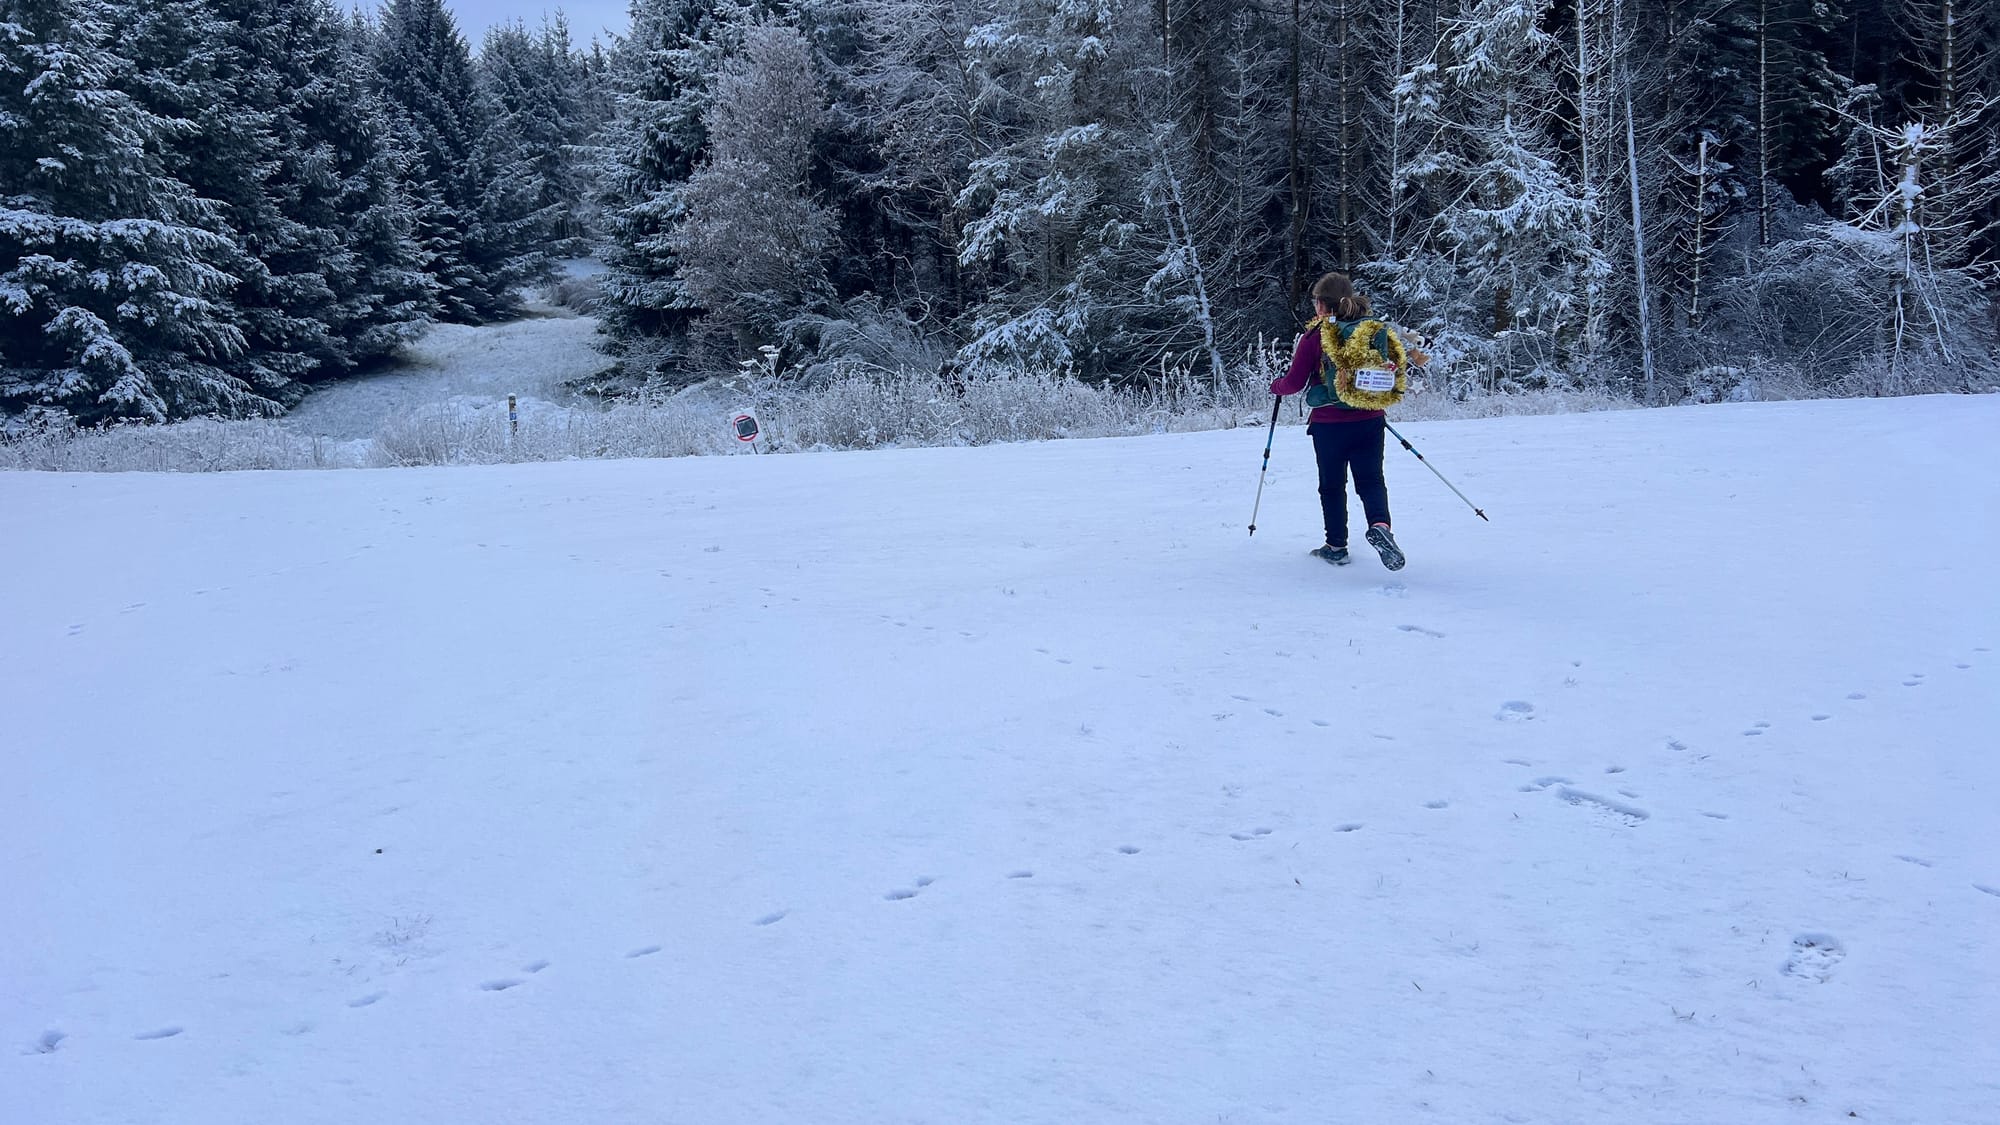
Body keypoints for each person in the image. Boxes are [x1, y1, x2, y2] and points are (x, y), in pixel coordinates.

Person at [1268, 271, 1428, 570]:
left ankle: (1336, 546)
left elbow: (1293, 383)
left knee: (1332, 485)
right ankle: (1380, 526)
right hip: (1370, 418)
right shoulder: (1371, 330)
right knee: (1371, 480)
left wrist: (1276, 386)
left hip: (1329, 424)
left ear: (1320, 304)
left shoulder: (1315, 336)